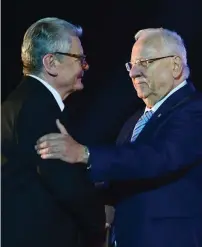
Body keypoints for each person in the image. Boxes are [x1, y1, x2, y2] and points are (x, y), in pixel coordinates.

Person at [36, 27, 202, 247]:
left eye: (145, 62)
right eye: (132, 65)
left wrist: (85, 154)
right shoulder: (135, 119)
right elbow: (123, 174)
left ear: (175, 66)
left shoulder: (194, 110)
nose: (134, 73)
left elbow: (158, 157)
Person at [1, 17, 106, 247]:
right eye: (80, 59)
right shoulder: (38, 110)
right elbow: (66, 184)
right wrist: (100, 222)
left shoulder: (15, 103)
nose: (85, 67)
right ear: (50, 63)